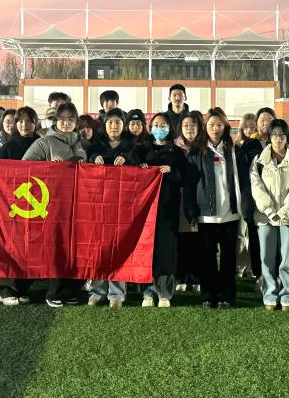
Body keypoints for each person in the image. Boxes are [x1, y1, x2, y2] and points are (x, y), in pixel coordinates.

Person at [184, 107, 251, 309]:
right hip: (205, 214)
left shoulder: (235, 151)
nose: (215, 128)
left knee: (229, 257)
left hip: (230, 213)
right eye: (212, 125)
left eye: (219, 125)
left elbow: (245, 181)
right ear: (205, 127)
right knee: (207, 256)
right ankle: (208, 295)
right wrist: (190, 211)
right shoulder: (196, 151)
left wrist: (246, 207)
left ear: (226, 127)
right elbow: (190, 184)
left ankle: (226, 295)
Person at [23, 101, 86, 307]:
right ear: (55, 121)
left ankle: (72, 291)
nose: (66, 123)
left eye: (70, 120)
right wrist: (48, 167)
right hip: (53, 205)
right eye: (62, 119)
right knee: (58, 248)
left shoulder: (81, 144)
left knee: (77, 248)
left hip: (78, 204)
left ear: (76, 123)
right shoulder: (44, 142)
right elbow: (24, 166)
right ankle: (54, 292)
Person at [249, 119, 289, 311]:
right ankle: (270, 294)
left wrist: (284, 211)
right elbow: (256, 186)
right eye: (274, 134)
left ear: (287, 137)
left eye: (282, 134)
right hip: (265, 217)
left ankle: (287, 295)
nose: (278, 138)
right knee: (266, 258)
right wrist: (269, 211)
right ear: (269, 137)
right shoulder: (259, 160)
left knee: (287, 259)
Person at [86, 108, 140, 308]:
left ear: (123, 125)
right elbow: (85, 165)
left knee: (119, 246)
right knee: (98, 247)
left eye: (118, 122)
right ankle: (97, 290)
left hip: (122, 205)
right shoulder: (96, 145)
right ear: (104, 125)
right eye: (110, 122)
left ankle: (117, 292)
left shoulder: (131, 146)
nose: (114, 126)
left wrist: (128, 160)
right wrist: (93, 159)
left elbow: (140, 168)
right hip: (99, 205)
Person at [0, 106, 41, 305]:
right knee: (8, 245)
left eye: (29, 121)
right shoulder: (8, 147)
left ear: (35, 123)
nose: (24, 125)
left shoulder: (42, 144)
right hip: (10, 207)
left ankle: (23, 287)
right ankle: (5, 288)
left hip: (36, 208)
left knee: (29, 246)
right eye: (20, 121)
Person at [139, 112, 184, 308]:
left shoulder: (177, 151)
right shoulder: (142, 148)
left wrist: (172, 171)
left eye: (163, 125)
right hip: (145, 209)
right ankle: (147, 292)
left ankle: (164, 293)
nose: (159, 128)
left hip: (167, 208)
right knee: (146, 249)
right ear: (150, 127)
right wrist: (141, 168)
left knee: (166, 251)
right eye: (156, 124)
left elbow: (184, 176)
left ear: (169, 128)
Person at [239, 107, 277, 284]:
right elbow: (243, 174)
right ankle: (259, 274)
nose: (265, 123)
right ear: (257, 123)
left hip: (276, 197)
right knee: (255, 237)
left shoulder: (280, 142)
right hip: (254, 198)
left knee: (275, 237)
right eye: (262, 120)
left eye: (269, 120)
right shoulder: (248, 145)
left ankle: (275, 273)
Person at [173, 111, 203, 293]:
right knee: (182, 239)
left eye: (193, 125)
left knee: (198, 240)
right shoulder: (174, 147)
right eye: (185, 125)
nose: (189, 128)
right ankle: (181, 275)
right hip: (180, 197)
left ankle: (197, 276)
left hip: (200, 197)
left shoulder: (204, 147)